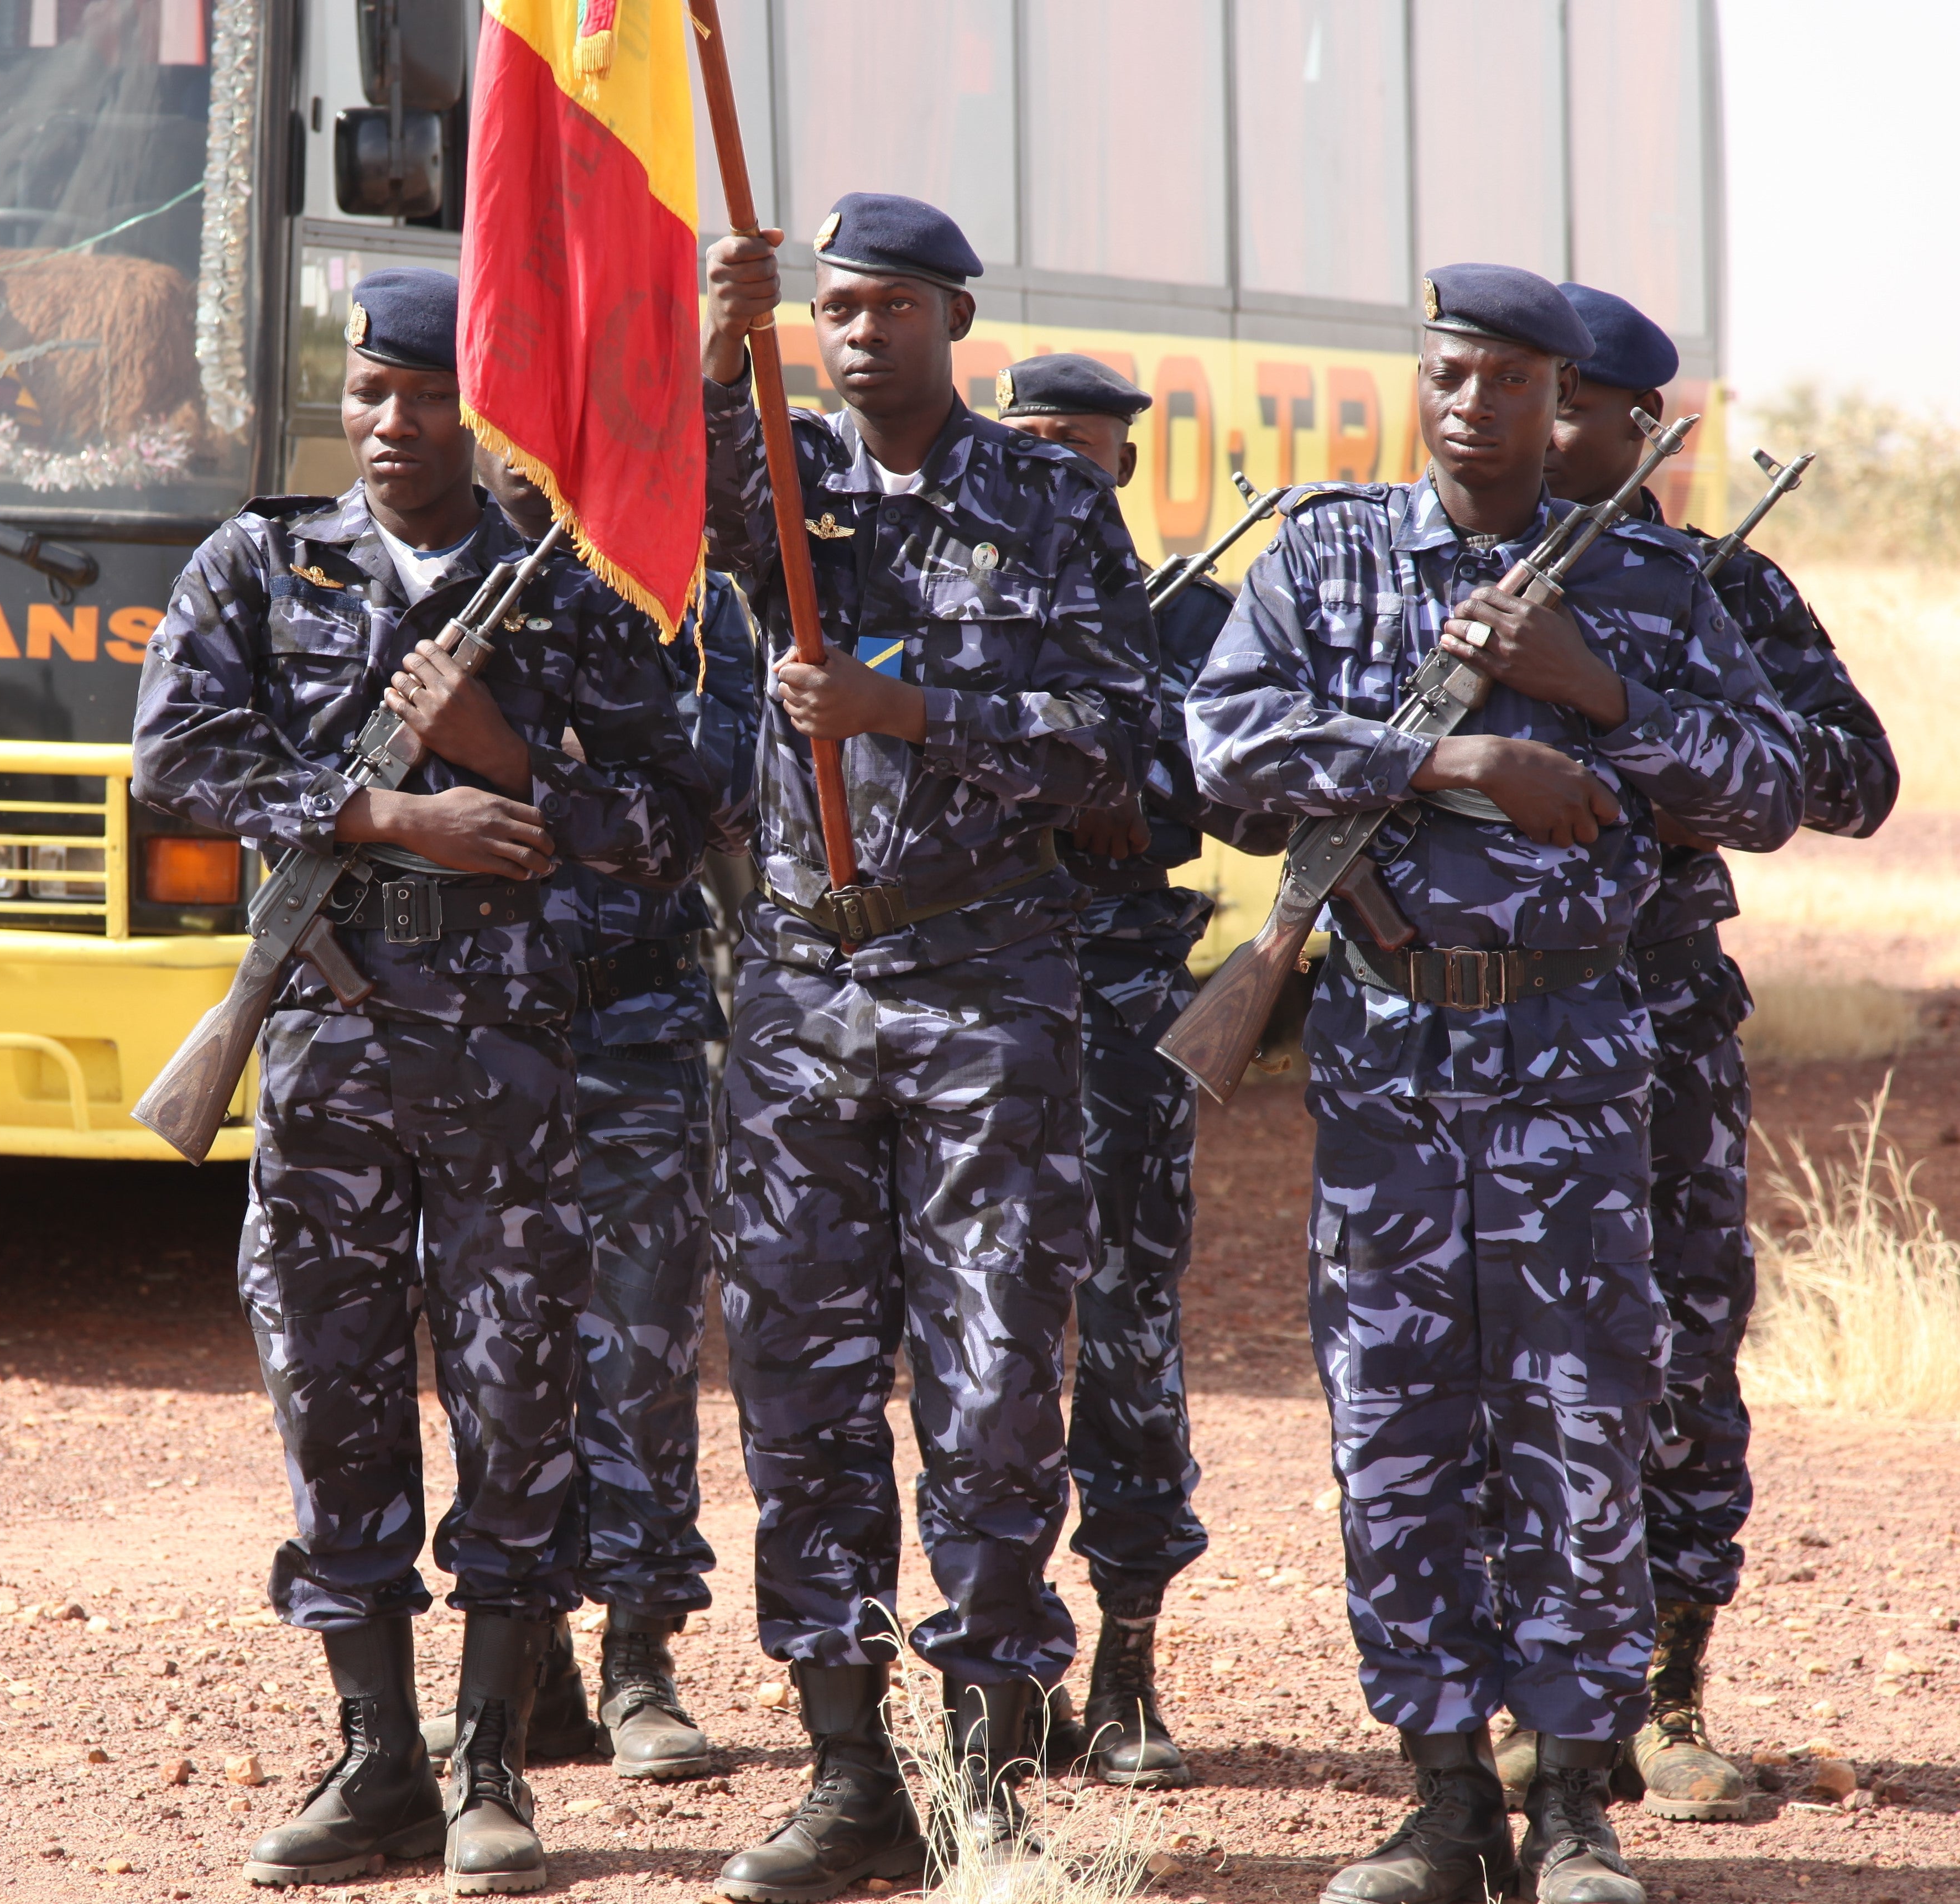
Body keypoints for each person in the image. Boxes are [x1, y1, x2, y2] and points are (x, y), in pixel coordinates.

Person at [1186, 263, 1802, 1904]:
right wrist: (1448, 757)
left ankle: (1577, 1807)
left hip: (1577, 1064)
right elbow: (1220, 748)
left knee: (1580, 1426)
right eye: (1449, 372)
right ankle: (1440, 1796)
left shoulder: (1651, 585)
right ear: (1426, 380)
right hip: (1387, 1059)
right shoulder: (1321, 559)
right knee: (1394, 1426)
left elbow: (1768, 785)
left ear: (1559, 402)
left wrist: (1591, 690)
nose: (1473, 404)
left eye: (1509, 382)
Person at [132, 268, 711, 1894]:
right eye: (369, 394)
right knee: (331, 1390)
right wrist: (388, 814)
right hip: (324, 1036)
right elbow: (173, 754)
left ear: (485, 411)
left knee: (520, 1400)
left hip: (514, 1055)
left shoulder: (566, 600)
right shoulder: (260, 561)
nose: (391, 428)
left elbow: (679, 820)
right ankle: (375, 1757)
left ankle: (488, 1766)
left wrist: (512, 768)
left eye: (426, 398)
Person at [697, 195, 1160, 1899]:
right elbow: (659, 511)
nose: (858, 330)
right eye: (832, 306)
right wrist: (710, 339)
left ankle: (980, 1777)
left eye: (891, 303)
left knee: (984, 1394)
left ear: (955, 319)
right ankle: (841, 1777)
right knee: (803, 1397)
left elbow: (1124, 749)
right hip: (803, 1004)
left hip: (987, 991)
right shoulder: (787, 482)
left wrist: (916, 714)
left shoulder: (1046, 499)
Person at [1488, 283, 1899, 1824]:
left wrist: (1652, 735)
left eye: (1568, 406)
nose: (1533, 426)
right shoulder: (1441, 572)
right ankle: (1517, 1703)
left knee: (1670, 1354)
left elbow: (1846, 777)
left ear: (1635, 428)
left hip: (1652, 1017)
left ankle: (1663, 1697)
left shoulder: (1719, 586)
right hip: (1477, 1025)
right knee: (1486, 1360)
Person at [410, 447, 760, 1783]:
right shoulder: (417, 585)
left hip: (628, 1021)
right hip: (465, 1031)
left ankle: (640, 1657)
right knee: (489, 1355)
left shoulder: (682, 598)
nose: (516, 446)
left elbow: (710, 804)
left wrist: (515, 761)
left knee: (639, 1350)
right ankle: (526, 1670)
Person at [994, 353, 1289, 1788]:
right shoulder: (958, 608)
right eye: (1030, 445)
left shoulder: (1191, 616)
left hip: (1115, 1000)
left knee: (1120, 1327)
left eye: (1082, 450)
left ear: (1120, 465)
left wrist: (1134, 786)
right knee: (975, 1332)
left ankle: (1124, 1662)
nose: (1059, 469)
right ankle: (996, 1667)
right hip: (974, 994)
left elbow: (1238, 800)